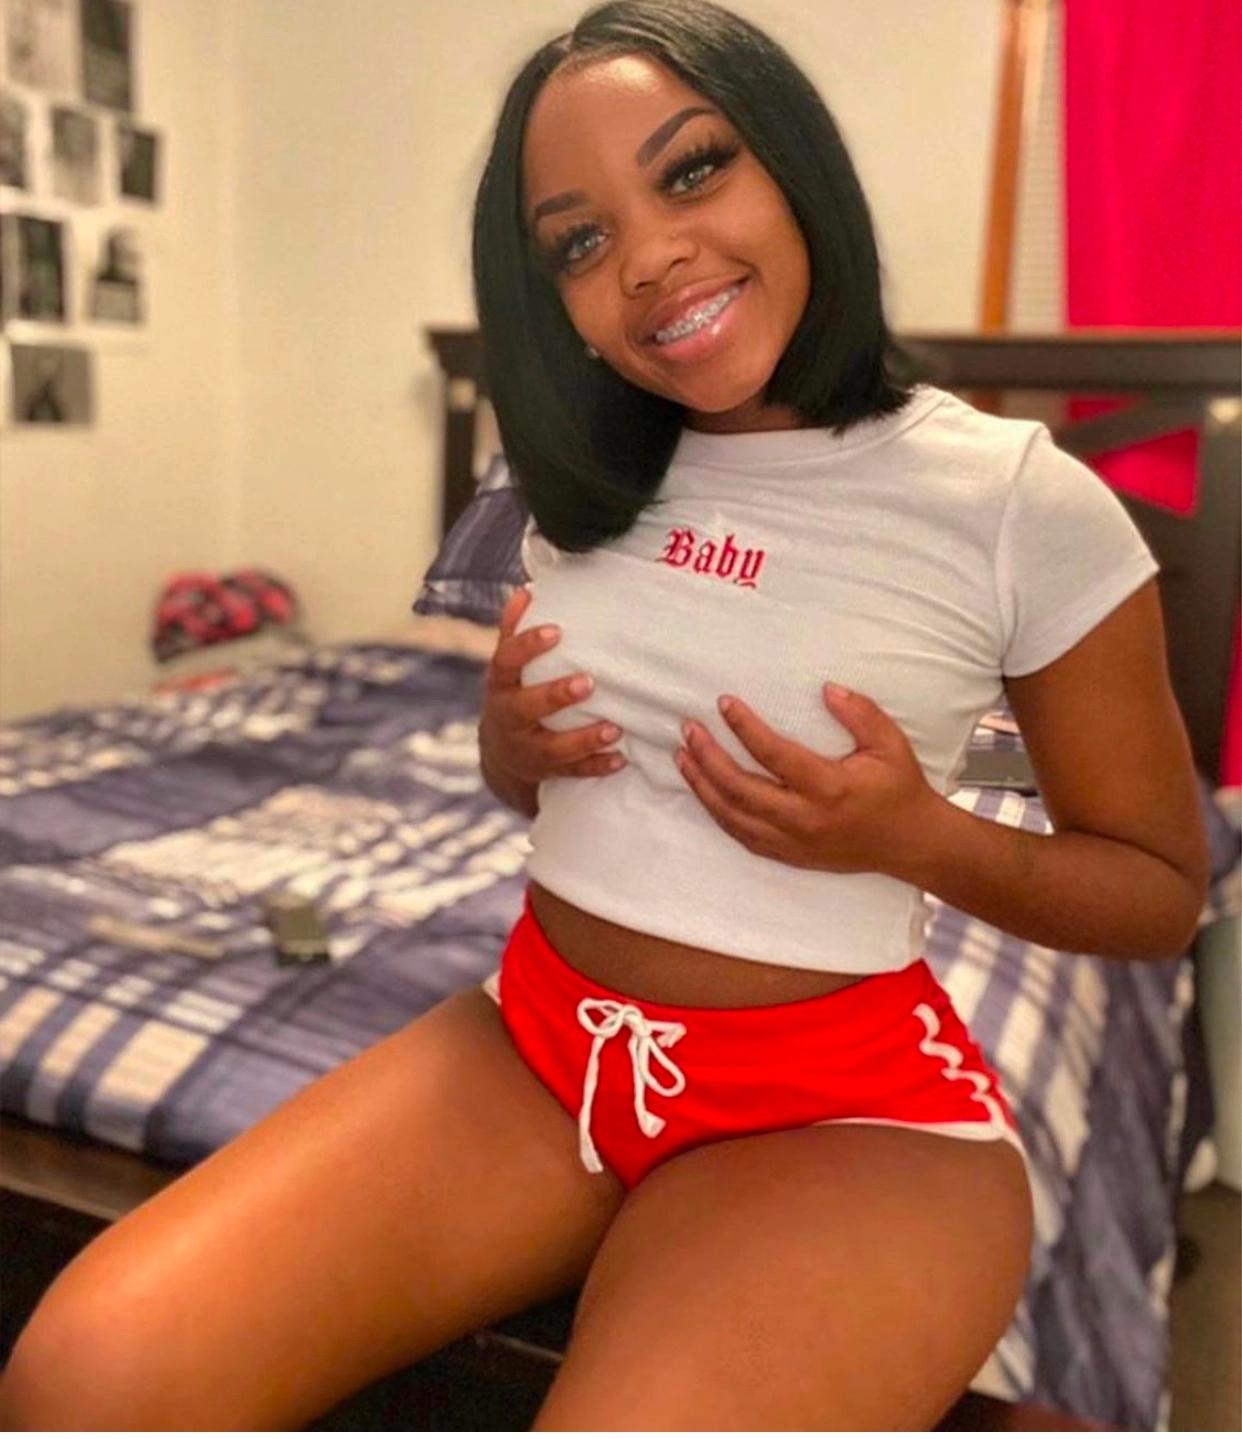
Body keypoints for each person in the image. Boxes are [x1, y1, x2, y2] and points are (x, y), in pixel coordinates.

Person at [0, 1, 1210, 1429]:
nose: (646, 257)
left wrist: (919, 837)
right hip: (534, 1044)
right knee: (82, 1378)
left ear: (793, 162)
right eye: (577, 242)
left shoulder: (1014, 501)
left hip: (838, 1108)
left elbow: (1157, 894)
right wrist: (506, 749)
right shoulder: (573, 484)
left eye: (692, 171)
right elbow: (559, 792)